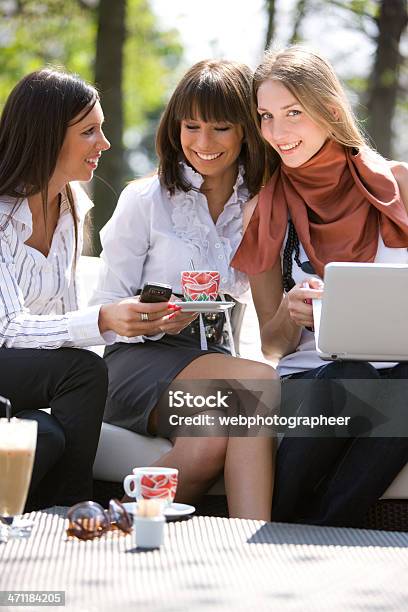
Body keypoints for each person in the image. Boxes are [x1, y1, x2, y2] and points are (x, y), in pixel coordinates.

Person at [91, 60, 279, 521]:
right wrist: (147, 316)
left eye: (220, 128)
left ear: (246, 133)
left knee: (211, 439)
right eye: (190, 126)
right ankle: (260, 542)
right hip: (139, 358)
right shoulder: (144, 201)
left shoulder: (257, 204)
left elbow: (270, 324)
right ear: (175, 128)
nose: (202, 143)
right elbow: (104, 308)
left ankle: (118, 520)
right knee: (259, 383)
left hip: (213, 356)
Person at [232, 46, 408, 527]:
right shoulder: (265, 210)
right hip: (314, 381)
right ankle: (295, 525)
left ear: (330, 111)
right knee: (348, 378)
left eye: (293, 113)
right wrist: (289, 313)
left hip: (398, 373)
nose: (277, 133)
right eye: (266, 117)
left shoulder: (399, 185)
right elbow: (271, 345)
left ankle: (316, 531)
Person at [0, 68, 184, 510]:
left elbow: (61, 321)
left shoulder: (71, 205)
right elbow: (8, 328)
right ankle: (76, 507)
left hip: (16, 376)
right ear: (46, 135)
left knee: (46, 435)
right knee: (82, 370)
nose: (104, 143)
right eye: (89, 131)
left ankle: (55, 519)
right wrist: (102, 319)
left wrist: (137, 322)